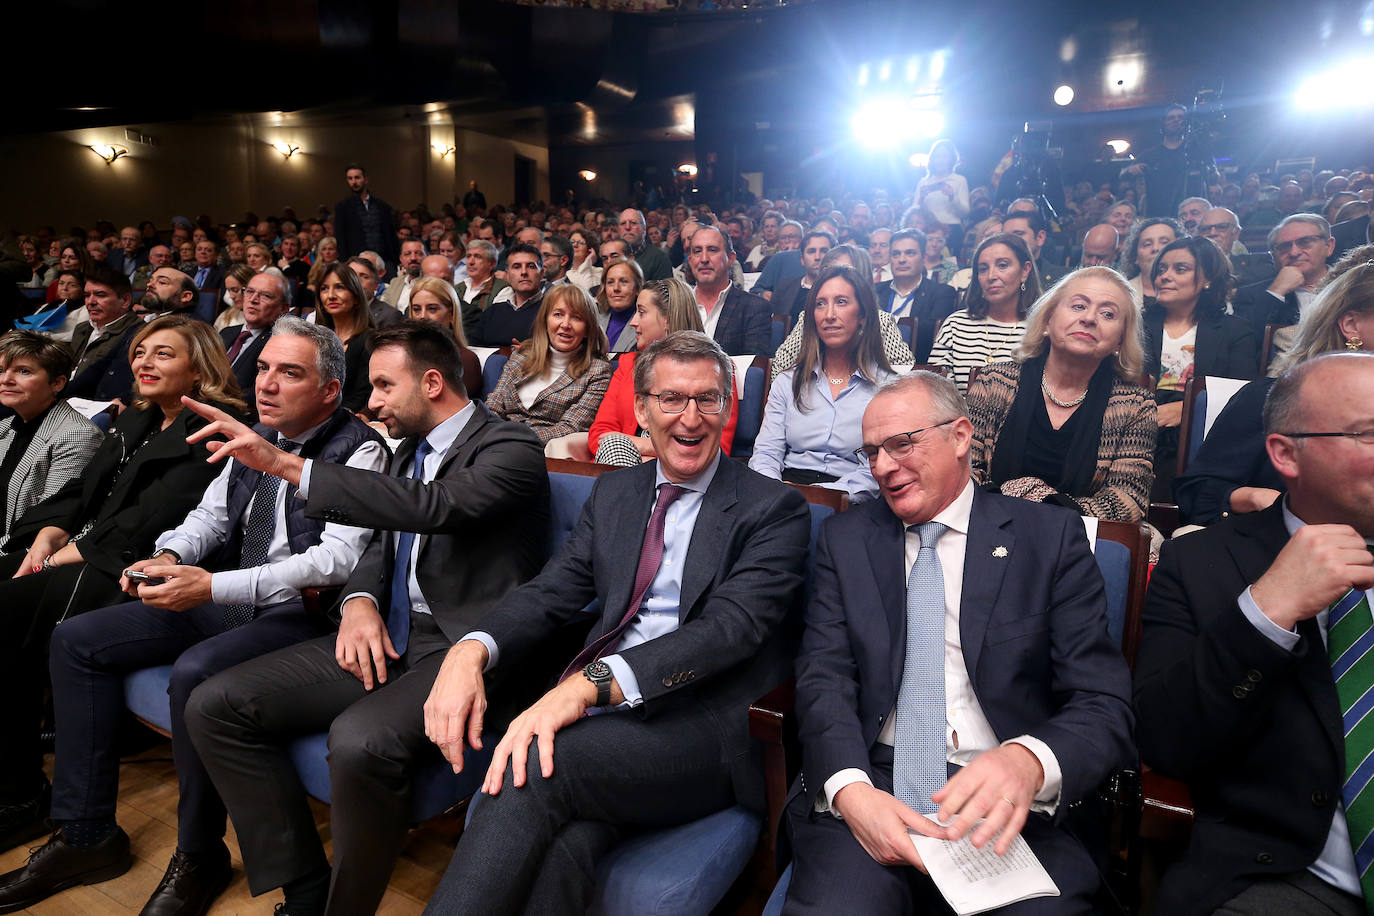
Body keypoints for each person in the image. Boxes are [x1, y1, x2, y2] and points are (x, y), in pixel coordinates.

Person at [0, 318, 388, 915]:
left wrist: (213, 586)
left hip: (297, 613)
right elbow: (208, 518)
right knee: (77, 640)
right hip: (226, 592)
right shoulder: (253, 432)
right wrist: (167, 558)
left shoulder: (358, 448)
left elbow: (335, 560)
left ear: (330, 391)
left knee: (194, 673)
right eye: (263, 368)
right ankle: (84, 833)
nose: (268, 384)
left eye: (291, 373)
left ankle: (198, 852)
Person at [425, 330, 811, 914]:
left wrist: (586, 685)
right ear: (641, 409)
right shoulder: (616, 494)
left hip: (705, 725)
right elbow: (555, 590)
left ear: (729, 408)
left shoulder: (773, 508)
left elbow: (728, 631)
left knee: (532, 766)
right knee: (567, 849)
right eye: (671, 399)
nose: (691, 417)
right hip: (609, 724)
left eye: (707, 399)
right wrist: (472, 649)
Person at [183, 320, 548, 916]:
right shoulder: (407, 451)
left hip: (464, 645)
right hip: (390, 629)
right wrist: (358, 600)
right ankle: (305, 887)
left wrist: (285, 465)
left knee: (358, 740)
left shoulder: (510, 446)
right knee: (214, 704)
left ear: (432, 382)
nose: (371, 402)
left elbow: (436, 508)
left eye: (382, 385)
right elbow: (382, 542)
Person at [781, 372, 1135, 914]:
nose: (881, 467)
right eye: (871, 451)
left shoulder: (1049, 538)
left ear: (961, 435)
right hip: (873, 774)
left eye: (901, 443)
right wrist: (851, 790)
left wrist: (1029, 761)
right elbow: (824, 676)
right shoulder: (846, 539)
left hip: (1005, 795)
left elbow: (1102, 701)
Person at [1134, 351, 1374, 915]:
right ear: (1286, 453)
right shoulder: (1199, 563)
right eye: (1369, 434)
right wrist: (1265, 612)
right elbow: (1165, 741)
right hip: (1296, 876)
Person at [0, 315, 244, 849]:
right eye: (139, 353)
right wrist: (49, 532)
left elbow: (157, 518)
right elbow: (87, 491)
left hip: (133, 569)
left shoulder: (215, 428)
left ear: (198, 364)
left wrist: (71, 552)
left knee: (8, 618)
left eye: (162, 354)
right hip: (85, 550)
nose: (143, 363)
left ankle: (21, 793)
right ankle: (16, 782)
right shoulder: (138, 419)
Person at [1175, 247, 1374, 525]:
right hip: (1281, 551)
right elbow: (1196, 494)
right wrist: (1255, 497)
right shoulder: (1271, 399)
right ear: (1351, 325)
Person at [967, 268, 1156, 522]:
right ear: (1047, 320)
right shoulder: (993, 383)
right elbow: (963, 474)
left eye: (1108, 314)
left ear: (1120, 340)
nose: (1089, 318)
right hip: (988, 525)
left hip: (1078, 542)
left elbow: (1129, 500)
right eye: (1078, 306)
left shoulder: (1136, 406)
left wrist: (1046, 510)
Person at [550, 277, 739, 464]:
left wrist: (642, 447)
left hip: (685, 471)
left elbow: (718, 448)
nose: (633, 322)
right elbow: (599, 434)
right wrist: (638, 453)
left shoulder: (716, 368)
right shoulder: (628, 364)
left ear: (668, 319)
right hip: (617, 461)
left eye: (641, 312)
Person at [750, 265, 895, 500]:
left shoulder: (887, 388)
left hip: (848, 497)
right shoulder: (788, 381)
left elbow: (873, 470)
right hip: (784, 491)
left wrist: (824, 496)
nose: (829, 315)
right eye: (820, 304)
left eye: (841, 302)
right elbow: (767, 453)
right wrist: (775, 494)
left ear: (863, 316)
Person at [1144, 235, 1258, 500]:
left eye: (1179, 269)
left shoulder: (1234, 329)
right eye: (1161, 269)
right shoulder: (1137, 324)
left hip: (1203, 429)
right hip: (1141, 426)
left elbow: (1243, 394)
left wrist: (1186, 410)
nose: (1165, 276)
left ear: (1207, 279)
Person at [0, 332, 102, 554]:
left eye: (23, 371)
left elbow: (44, 525)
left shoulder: (77, 435)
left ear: (57, 383)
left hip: (22, 554)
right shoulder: (5, 426)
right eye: (1, 370)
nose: (5, 379)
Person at [485, 284, 611, 444]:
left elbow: (570, 428)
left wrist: (513, 439)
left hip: (544, 454)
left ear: (588, 328)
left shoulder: (597, 371)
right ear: (545, 320)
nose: (565, 324)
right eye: (558, 314)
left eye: (576, 318)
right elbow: (494, 406)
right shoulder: (522, 355)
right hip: (495, 443)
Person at [930, 232, 1042, 391]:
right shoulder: (956, 325)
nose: (991, 276)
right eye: (983, 269)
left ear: (1025, 271)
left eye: (1002, 265)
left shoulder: (1041, 330)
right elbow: (935, 389)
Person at [1233, 214, 1335, 362]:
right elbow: (1242, 347)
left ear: (1329, 246)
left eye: (1305, 242)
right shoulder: (1250, 294)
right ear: (1273, 256)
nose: (1294, 252)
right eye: (1284, 247)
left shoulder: (1353, 285)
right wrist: (1276, 292)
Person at [875, 228, 958, 363]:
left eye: (910, 253)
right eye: (896, 254)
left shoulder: (942, 293)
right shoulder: (875, 291)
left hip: (918, 369)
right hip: (874, 365)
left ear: (923, 258)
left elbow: (932, 334)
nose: (901, 260)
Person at [65, 262, 144, 403]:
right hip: (66, 396)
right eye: (87, 295)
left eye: (100, 295)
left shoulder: (137, 334)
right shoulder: (82, 328)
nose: (90, 302)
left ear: (125, 300)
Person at [689, 225, 772, 355]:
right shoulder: (674, 305)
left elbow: (753, 367)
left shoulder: (755, 307)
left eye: (712, 250)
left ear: (731, 258)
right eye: (697, 251)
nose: (704, 259)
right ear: (690, 260)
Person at [221, 268, 291, 419]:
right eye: (249, 291)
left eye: (265, 296)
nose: (253, 299)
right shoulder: (227, 332)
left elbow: (258, 392)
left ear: (283, 309)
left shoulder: (278, 342)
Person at [405, 275, 485, 397]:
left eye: (432, 309)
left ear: (452, 314)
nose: (422, 316)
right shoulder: (404, 355)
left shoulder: (466, 360)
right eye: (416, 309)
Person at [314, 262, 375, 413]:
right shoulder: (315, 339)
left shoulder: (370, 340)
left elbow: (364, 394)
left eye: (340, 287)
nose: (331, 295)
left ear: (356, 296)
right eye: (324, 289)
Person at [471, 244, 547, 347]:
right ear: (507, 275)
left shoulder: (551, 312)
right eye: (517, 267)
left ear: (542, 273)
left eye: (531, 266)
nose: (524, 272)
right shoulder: (492, 312)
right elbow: (474, 348)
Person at [1121, 103, 1190, 218]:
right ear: (1163, 123)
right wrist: (1131, 170)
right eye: (1171, 118)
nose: (1176, 120)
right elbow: (1122, 175)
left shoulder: (1195, 151)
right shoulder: (1150, 155)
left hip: (1188, 214)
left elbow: (1214, 176)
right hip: (1157, 214)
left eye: (1180, 117)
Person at [333, 163, 398, 266]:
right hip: (356, 260)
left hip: (384, 259)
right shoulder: (342, 208)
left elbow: (391, 235)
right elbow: (341, 238)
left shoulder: (382, 206)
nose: (354, 182)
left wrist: (395, 260)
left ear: (365, 179)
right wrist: (346, 263)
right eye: (350, 178)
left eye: (357, 178)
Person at [454, 239, 511, 341]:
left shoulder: (503, 289)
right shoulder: (458, 288)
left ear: (492, 264)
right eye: (468, 256)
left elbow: (495, 324)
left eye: (477, 257)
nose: (471, 262)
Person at [1115, 216, 1183, 302]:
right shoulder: (1120, 294)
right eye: (1147, 244)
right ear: (1135, 257)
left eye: (1164, 242)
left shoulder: (1193, 291)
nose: (1155, 248)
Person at [915, 139, 971, 237]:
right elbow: (914, 212)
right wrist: (921, 199)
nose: (940, 160)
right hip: (928, 229)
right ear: (932, 159)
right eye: (937, 156)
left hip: (952, 229)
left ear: (952, 159)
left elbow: (965, 213)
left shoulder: (959, 180)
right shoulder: (923, 182)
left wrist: (953, 197)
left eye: (945, 156)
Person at [594, 257, 643, 353]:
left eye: (624, 281)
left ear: (637, 288)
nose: (616, 288)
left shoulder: (645, 325)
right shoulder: (594, 318)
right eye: (610, 282)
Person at [617, 208, 672, 281]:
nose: (627, 227)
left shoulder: (659, 259)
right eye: (623, 223)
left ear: (644, 229)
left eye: (633, 223)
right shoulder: (610, 257)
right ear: (618, 229)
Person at [566, 227, 602, 295]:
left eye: (581, 243)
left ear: (589, 250)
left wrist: (588, 263)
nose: (575, 245)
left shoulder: (598, 272)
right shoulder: (564, 273)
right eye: (572, 242)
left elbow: (588, 294)